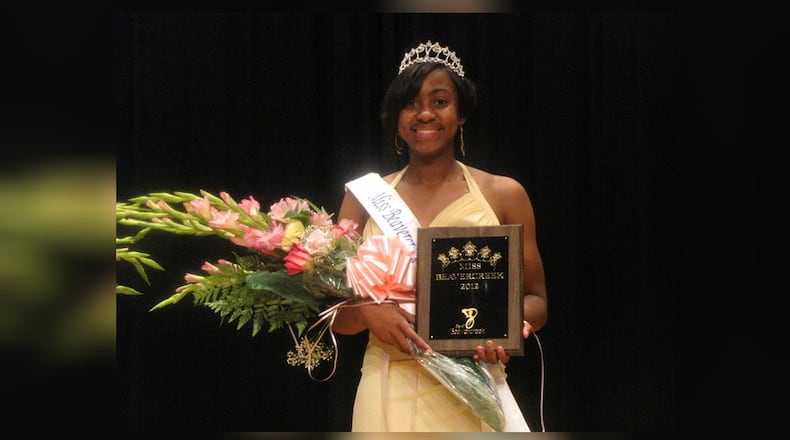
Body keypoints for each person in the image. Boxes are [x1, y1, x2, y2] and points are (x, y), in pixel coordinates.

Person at [332, 40, 548, 432]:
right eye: (411, 103)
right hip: (386, 382)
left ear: (461, 113)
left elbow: (537, 301)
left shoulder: (504, 194)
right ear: (396, 116)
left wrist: (507, 325)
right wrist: (366, 311)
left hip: (474, 382)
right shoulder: (363, 198)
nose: (425, 113)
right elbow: (333, 318)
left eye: (440, 101)